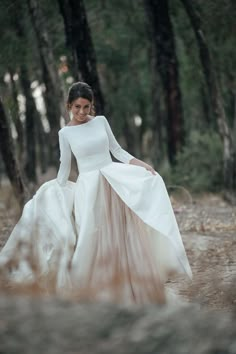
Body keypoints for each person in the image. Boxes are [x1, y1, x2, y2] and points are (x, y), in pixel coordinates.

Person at [0, 82, 192, 304]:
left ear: (92, 106)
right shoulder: (65, 133)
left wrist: (141, 164)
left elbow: (117, 150)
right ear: (69, 105)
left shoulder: (101, 121)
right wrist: (51, 189)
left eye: (86, 107)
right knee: (95, 236)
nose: (82, 112)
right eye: (77, 107)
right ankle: (105, 288)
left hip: (113, 182)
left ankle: (134, 285)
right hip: (89, 190)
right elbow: (64, 168)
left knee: (122, 234)